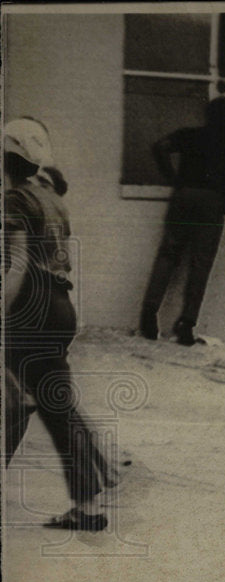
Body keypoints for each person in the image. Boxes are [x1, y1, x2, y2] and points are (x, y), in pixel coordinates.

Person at [3, 117, 110, 531]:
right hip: (60, 307)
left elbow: (14, 266)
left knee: (14, 401)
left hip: (29, 308)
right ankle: (88, 508)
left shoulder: (15, 201)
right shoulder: (51, 197)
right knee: (52, 408)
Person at [139, 97, 225, 345]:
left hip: (184, 196)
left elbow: (160, 146)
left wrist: (174, 179)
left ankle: (149, 313)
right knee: (201, 264)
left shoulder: (190, 135)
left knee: (168, 255)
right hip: (212, 201)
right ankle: (187, 323)